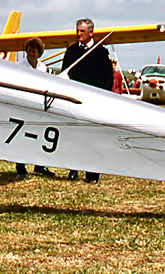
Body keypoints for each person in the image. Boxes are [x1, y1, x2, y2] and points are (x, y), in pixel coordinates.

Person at [61, 19, 113, 182]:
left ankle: (92, 172)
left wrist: (103, 98)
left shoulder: (101, 52)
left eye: (82, 31)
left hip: (94, 100)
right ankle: (73, 169)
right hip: (75, 99)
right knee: (74, 134)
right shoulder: (71, 51)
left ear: (91, 32)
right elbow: (65, 74)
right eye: (77, 31)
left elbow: (108, 78)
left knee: (92, 136)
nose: (78, 34)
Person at [15, 37, 55, 178]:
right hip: (24, 103)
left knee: (38, 133)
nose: (31, 54)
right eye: (29, 51)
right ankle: (20, 165)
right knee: (21, 135)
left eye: (34, 51)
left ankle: (39, 165)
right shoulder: (19, 66)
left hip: (38, 104)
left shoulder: (42, 68)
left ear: (39, 53)